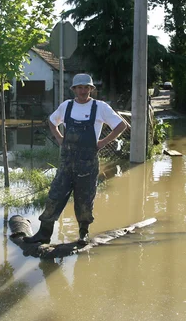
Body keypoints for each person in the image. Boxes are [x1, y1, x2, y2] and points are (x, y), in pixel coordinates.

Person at [24, 73, 127, 246]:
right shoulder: (67, 106)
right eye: (79, 87)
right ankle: (43, 234)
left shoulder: (99, 107)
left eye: (86, 87)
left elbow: (121, 125)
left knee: (84, 200)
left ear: (91, 90)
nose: (83, 90)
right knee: (54, 196)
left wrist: (102, 142)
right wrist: (59, 138)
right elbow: (51, 121)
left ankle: (83, 234)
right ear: (74, 89)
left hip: (87, 164)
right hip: (66, 164)